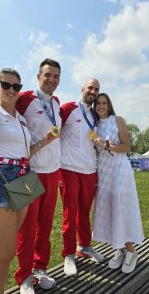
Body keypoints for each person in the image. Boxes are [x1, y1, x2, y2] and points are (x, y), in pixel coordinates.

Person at [0, 59, 61, 293]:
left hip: (25, 177)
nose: (12, 90)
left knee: (10, 250)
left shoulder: (20, 119)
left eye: (16, 86)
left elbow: (25, 152)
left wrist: (45, 141)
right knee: (4, 252)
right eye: (6, 85)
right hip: (3, 179)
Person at [92, 93, 144, 274]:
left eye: (104, 103)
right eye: (98, 103)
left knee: (121, 209)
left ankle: (131, 251)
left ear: (109, 105)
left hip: (120, 172)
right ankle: (119, 248)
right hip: (104, 172)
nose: (101, 106)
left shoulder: (118, 120)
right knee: (110, 210)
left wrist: (107, 146)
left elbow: (127, 147)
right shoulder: (94, 124)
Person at [60, 78, 104, 277]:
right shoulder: (68, 108)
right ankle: (69, 255)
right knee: (71, 212)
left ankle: (84, 246)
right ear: (82, 89)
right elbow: (49, 125)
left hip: (90, 169)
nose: (93, 92)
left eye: (96, 89)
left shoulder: (96, 115)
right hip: (69, 169)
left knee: (85, 212)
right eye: (90, 88)